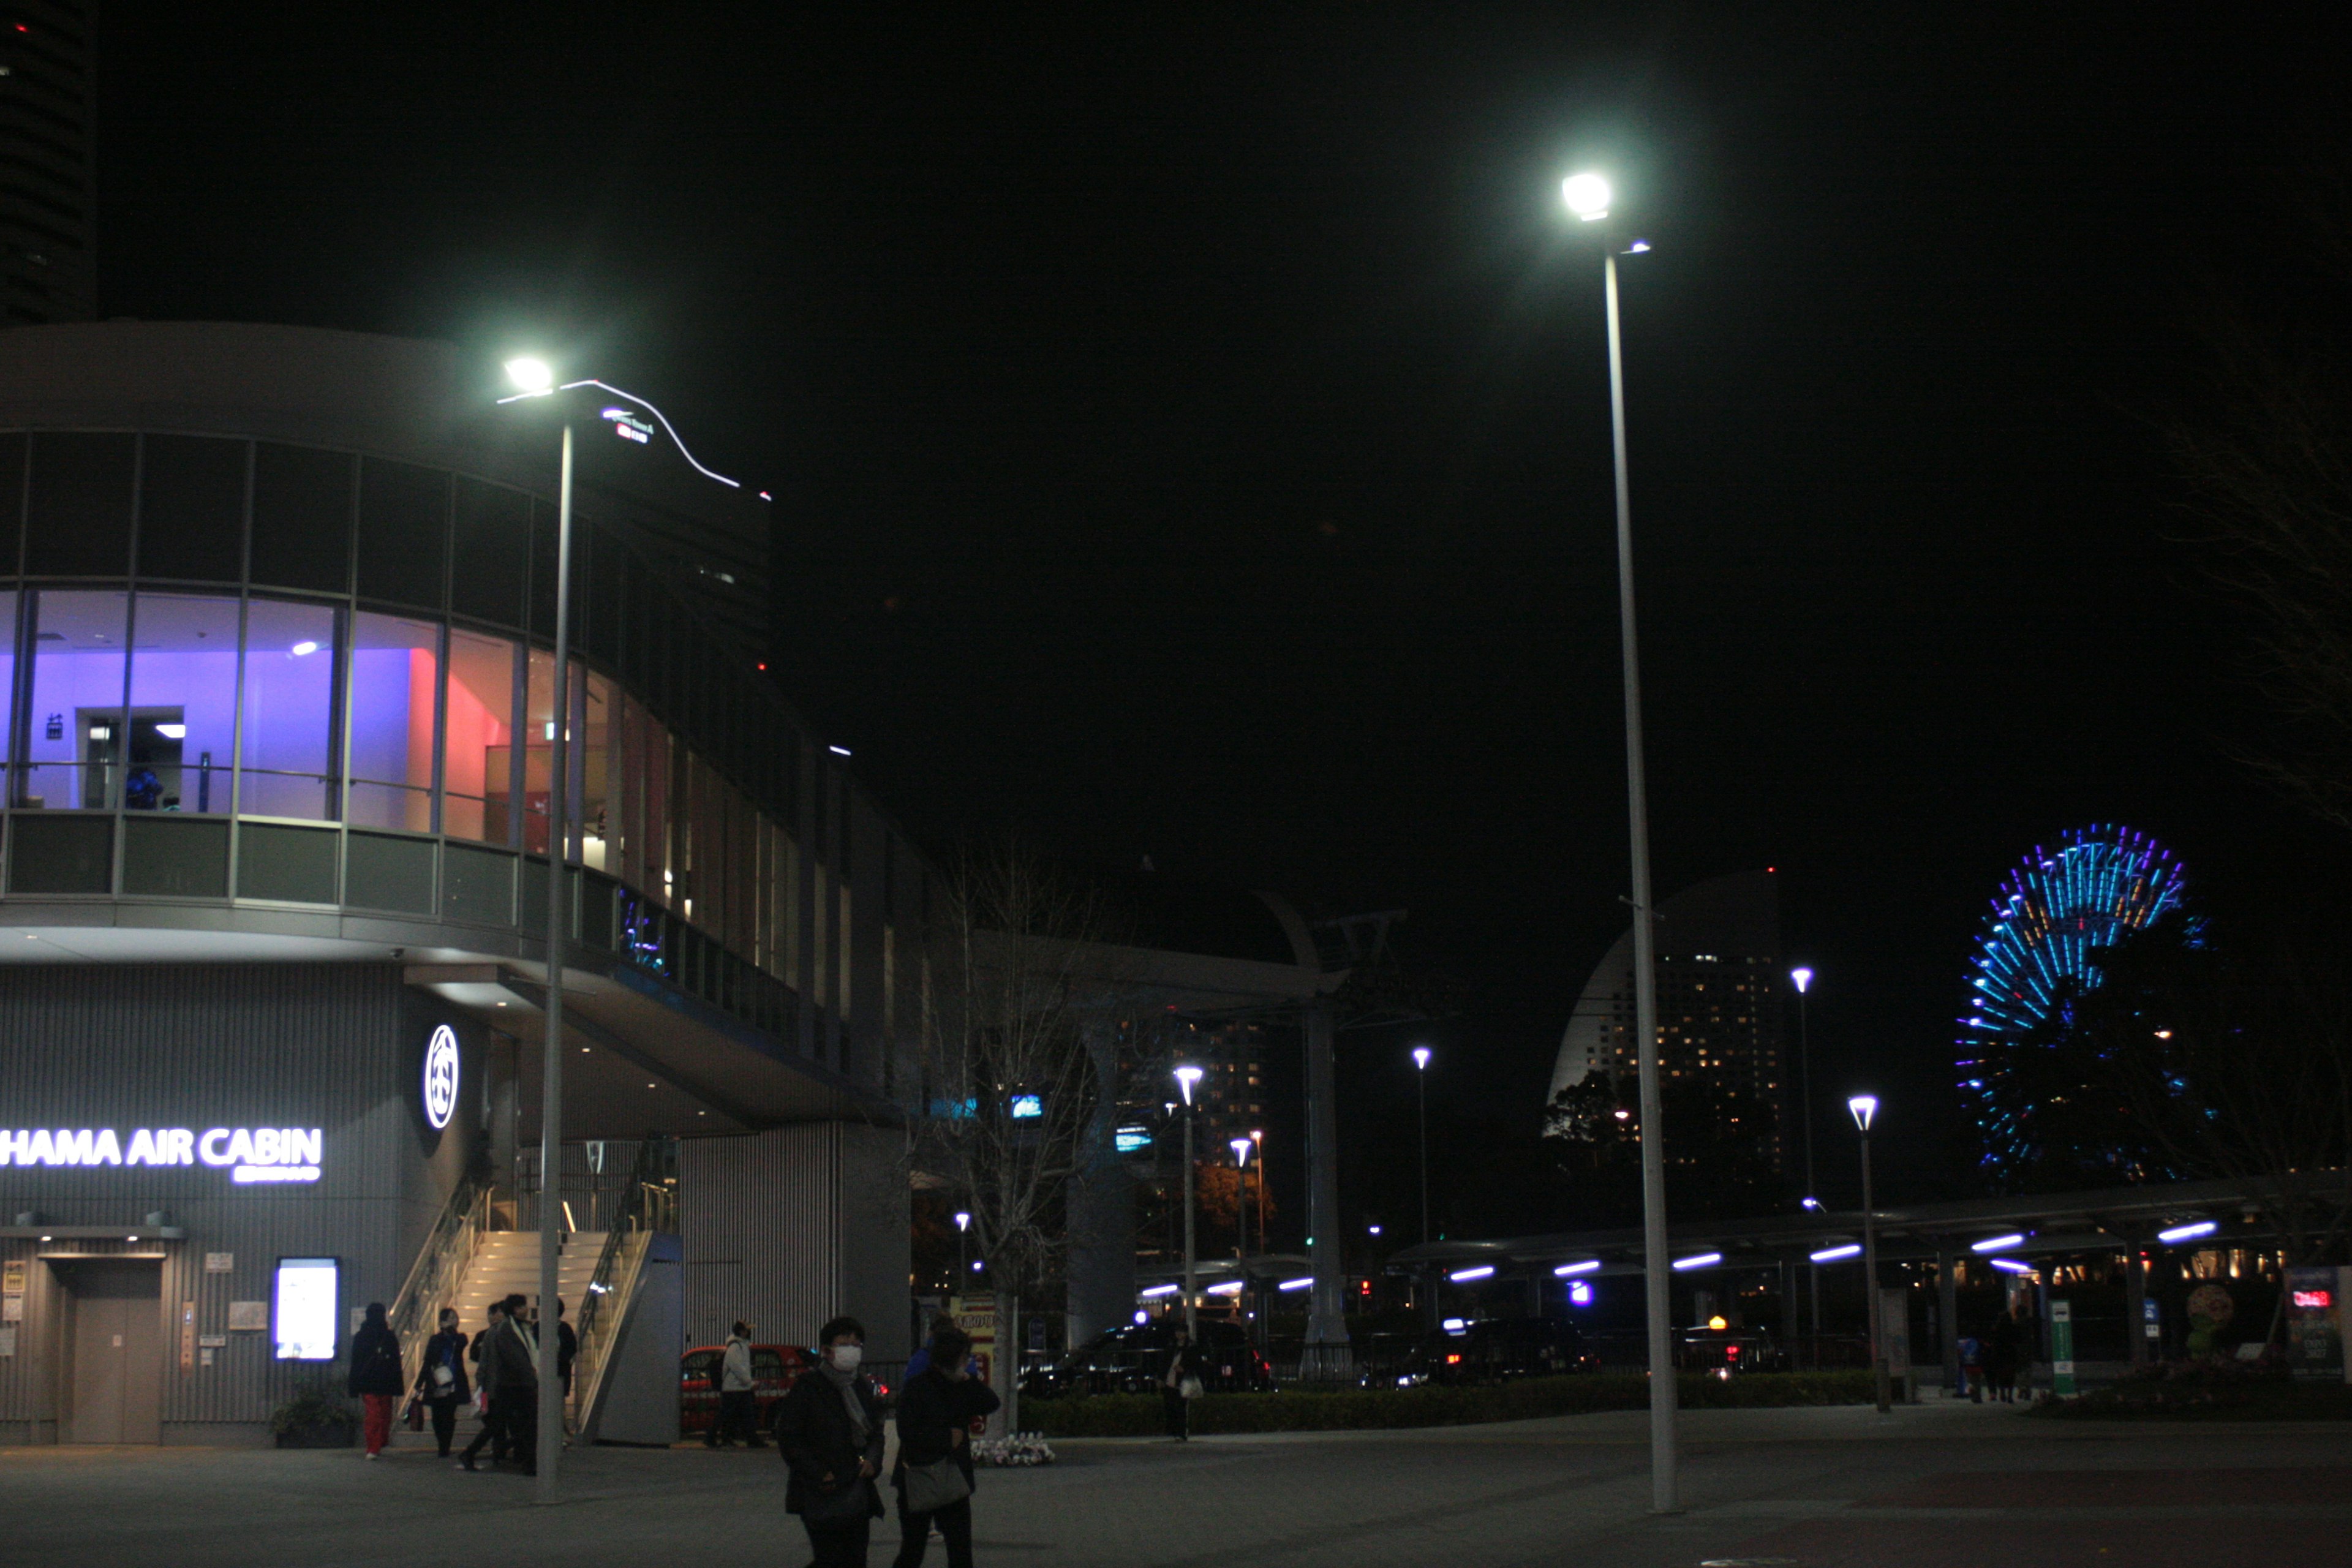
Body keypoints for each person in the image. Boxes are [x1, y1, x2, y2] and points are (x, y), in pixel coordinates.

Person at [777, 1316, 886, 1568]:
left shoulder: (860, 1385)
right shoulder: (809, 1387)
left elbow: (875, 1431)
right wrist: (818, 1472)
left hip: (855, 1486)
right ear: (827, 1351)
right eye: (845, 1344)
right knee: (830, 1559)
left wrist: (872, 1460)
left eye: (857, 1345)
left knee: (856, 1559)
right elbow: (789, 1437)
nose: (852, 1351)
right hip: (821, 1490)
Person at [891, 1324, 1000, 1568]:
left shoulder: (961, 1386)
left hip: (954, 1479)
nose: (967, 1362)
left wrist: (970, 1381)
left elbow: (991, 1403)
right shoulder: (918, 1387)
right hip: (918, 1478)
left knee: (960, 1551)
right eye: (964, 1358)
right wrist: (945, 1438)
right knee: (913, 1549)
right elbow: (907, 1431)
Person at [461, 1293, 538, 1475]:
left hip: (514, 1385)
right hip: (510, 1385)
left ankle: (526, 1461)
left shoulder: (523, 1328)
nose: (525, 1309)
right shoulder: (504, 1330)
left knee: (514, 1424)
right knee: (511, 1424)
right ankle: (526, 1462)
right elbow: (511, 1359)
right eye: (521, 1306)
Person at [347, 1302, 404, 1459]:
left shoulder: (361, 1336)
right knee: (384, 1415)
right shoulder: (389, 1336)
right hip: (386, 1382)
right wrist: (398, 1386)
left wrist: (354, 1387)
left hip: (368, 1382)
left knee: (373, 1415)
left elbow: (356, 1363)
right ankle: (378, 1444)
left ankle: (374, 1447)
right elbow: (395, 1363)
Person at [417, 1306, 473, 1458]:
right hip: (436, 1382)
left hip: (453, 1383)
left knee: (449, 1416)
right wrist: (418, 1384)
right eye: (450, 1317)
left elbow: (461, 1344)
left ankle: (445, 1446)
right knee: (437, 1417)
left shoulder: (460, 1337)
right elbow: (427, 1362)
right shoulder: (435, 1339)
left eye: (455, 1317)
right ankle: (442, 1442)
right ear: (441, 1322)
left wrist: (451, 1332)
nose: (454, 1320)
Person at [466, 1300, 510, 1465]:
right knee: (489, 1418)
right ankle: (496, 1448)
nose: (495, 1317)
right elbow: (474, 1355)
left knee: (497, 1421)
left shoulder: (500, 1333)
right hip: (486, 1387)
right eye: (492, 1313)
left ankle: (499, 1449)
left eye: (498, 1313)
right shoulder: (485, 1334)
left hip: (495, 1386)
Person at [710, 1320, 761, 1448]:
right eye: (747, 1330)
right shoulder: (736, 1347)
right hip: (734, 1387)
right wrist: (749, 1382)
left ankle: (719, 1438)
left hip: (737, 1387)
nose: (749, 1332)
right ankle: (715, 1437)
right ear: (741, 1331)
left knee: (732, 1414)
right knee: (732, 1415)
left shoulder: (738, 1346)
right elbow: (738, 1367)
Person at [1160, 1325, 1204, 1441]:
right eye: (1177, 1332)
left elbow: (1196, 1363)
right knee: (1169, 1406)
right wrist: (1160, 1378)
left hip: (1182, 1380)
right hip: (1170, 1379)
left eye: (1181, 1332)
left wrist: (1184, 1369)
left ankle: (1181, 1432)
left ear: (1186, 1333)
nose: (1179, 1335)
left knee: (1181, 1407)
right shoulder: (1171, 1345)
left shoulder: (1191, 1346)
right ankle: (1174, 1431)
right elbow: (1164, 1362)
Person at [1986, 1303, 2024, 1404]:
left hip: (1999, 1354)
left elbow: (1991, 1340)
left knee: (2000, 1374)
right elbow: (2019, 1340)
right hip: (2011, 1354)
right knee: (2011, 1375)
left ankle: (2002, 1392)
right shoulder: (2014, 1328)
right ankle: (2010, 1395)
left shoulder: (1996, 1329)